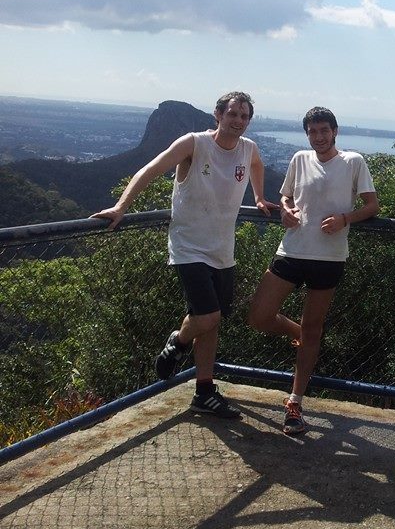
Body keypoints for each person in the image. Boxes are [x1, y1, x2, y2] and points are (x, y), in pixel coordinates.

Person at [92, 91, 277, 419]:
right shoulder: (194, 143)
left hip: (222, 250)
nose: (238, 121)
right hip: (189, 246)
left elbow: (257, 165)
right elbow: (151, 169)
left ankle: (204, 392)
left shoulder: (249, 149)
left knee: (211, 322)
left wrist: (261, 197)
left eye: (244, 116)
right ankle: (178, 342)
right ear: (218, 114)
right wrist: (122, 206)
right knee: (208, 317)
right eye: (232, 114)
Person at [248, 106, 378, 435]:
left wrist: (345, 219)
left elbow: (372, 205)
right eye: (313, 131)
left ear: (335, 132)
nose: (319, 137)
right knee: (259, 316)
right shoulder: (299, 159)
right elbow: (286, 196)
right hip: (292, 248)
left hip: (329, 257)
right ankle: (300, 336)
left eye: (324, 130)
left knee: (314, 327)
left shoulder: (353, 162)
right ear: (307, 134)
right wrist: (286, 211)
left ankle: (294, 402)